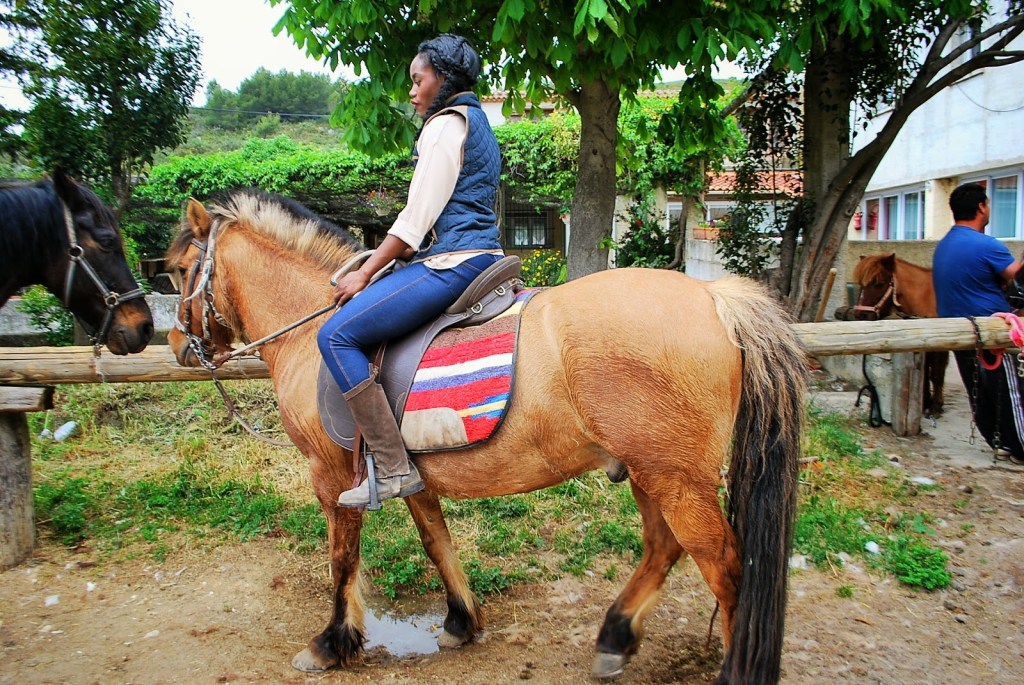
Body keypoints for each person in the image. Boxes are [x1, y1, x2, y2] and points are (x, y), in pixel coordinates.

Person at [317, 34, 504, 507]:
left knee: (336, 336)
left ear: (441, 78)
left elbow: (415, 221)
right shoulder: (479, 123)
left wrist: (365, 271)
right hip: (482, 253)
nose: (412, 91)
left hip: (453, 262)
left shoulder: (443, 126)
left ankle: (394, 468)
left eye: (417, 80)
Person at [933, 182, 1024, 462]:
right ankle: (1021, 447)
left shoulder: (944, 244)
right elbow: (1015, 277)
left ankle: (999, 443)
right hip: (991, 331)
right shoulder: (986, 245)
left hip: (958, 330)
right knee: (1009, 394)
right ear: (981, 207)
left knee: (980, 393)